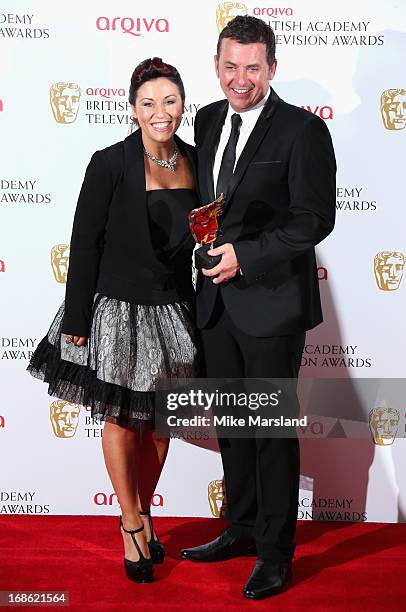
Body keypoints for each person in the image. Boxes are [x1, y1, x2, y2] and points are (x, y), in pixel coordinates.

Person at [181, 16, 336, 600]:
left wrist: (245, 257)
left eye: (252, 66)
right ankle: (241, 528)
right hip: (215, 305)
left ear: (272, 67)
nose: (239, 78)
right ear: (216, 66)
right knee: (233, 426)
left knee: (270, 430)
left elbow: (313, 219)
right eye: (230, 66)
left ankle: (275, 551)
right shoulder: (207, 118)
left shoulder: (301, 131)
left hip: (271, 304)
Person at [28, 57, 200, 584]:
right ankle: (129, 525)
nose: (160, 111)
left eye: (169, 100)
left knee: (159, 425)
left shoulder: (198, 160)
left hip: (173, 308)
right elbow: (84, 244)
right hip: (117, 308)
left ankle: (145, 510)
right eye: (148, 102)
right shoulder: (109, 162)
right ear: (132, 109)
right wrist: (78, 316)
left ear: (182, 105)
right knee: (122, 419)